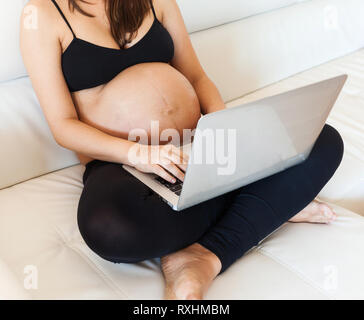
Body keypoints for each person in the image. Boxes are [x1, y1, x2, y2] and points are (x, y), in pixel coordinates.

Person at [20, 0, 343, 299]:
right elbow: (63, 125)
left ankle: (207, 250)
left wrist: (225, 132)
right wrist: (138, 155)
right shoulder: (42, 16)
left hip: (197, 146)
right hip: (122, 164)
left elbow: (197, 77)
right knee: (109, 228)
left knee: (321, 140)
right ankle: (269, 203)